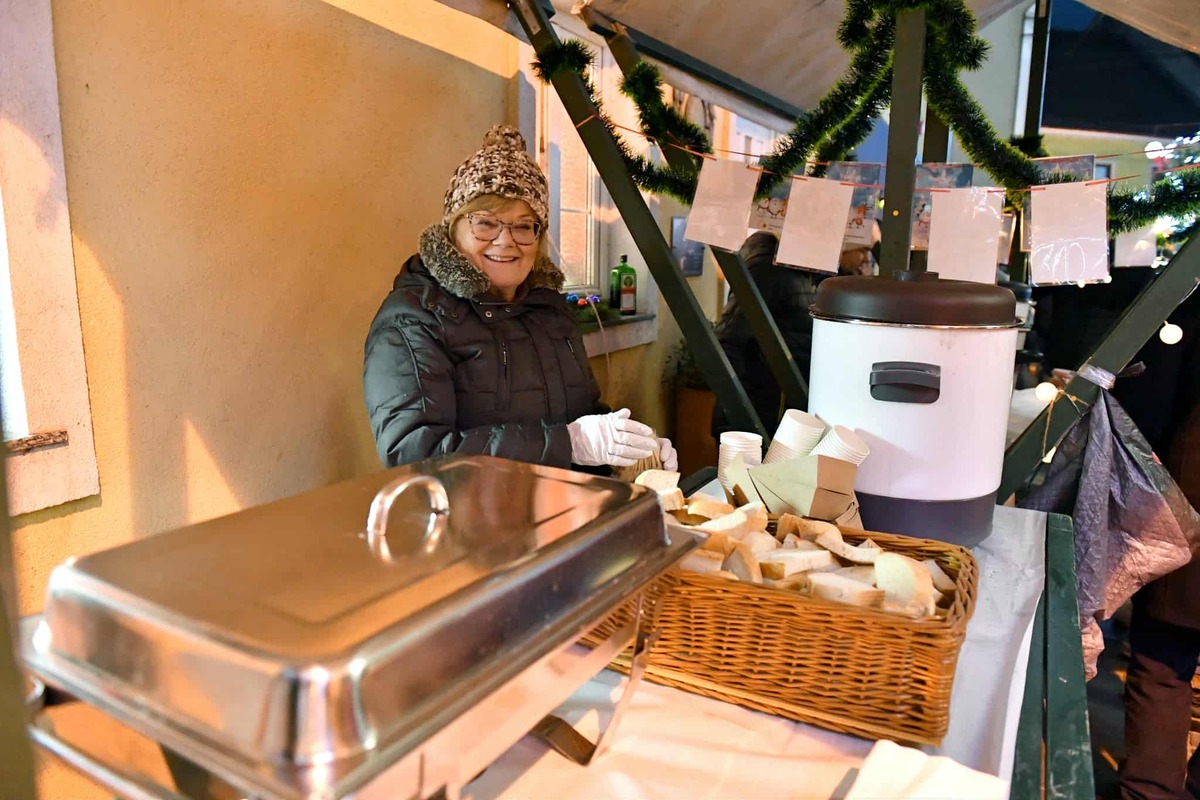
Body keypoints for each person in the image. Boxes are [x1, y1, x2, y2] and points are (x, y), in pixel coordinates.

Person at [363, 125, 676, 474]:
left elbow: (581, 421)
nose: (505, 241)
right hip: (467, 510)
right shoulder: (414, 319)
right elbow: (415, 453)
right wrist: (569, 443)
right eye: (486, 223)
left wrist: (630, 447)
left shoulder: (549, 311)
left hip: (562, 503)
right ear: (453, 230)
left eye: (524, 225)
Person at [710, 226, 878, 438]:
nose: (865, 259)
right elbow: (730, 338)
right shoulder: (771, 266)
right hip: (763, 419)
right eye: (862, 250)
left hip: (784, 417)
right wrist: (741, 419)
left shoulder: (808, 273)